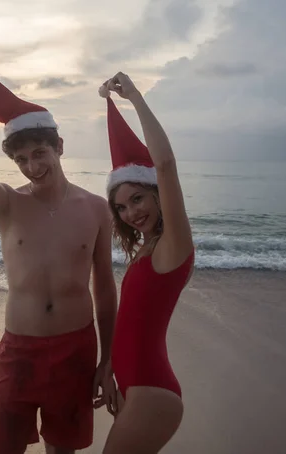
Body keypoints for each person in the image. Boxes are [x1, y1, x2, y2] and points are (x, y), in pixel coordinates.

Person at [0, 66, 118, 454]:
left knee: (62, 448)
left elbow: (104, 287)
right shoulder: (9, 204)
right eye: (22, 160)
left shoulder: (97, 209)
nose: (33, 167)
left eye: (40, 153)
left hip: (75, 351)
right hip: (20, 352)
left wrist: (108, 359)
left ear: (60, 146)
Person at [97, 72, 195, 453]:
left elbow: (166, 163)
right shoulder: (146, 250)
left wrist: (135, 97)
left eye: (137, 199)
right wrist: (111, 368)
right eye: (121, 207)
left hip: (154, 393)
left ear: (155, 193)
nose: (130, 213)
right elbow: (131, 322)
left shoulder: (173, 245)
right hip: (136, 389)